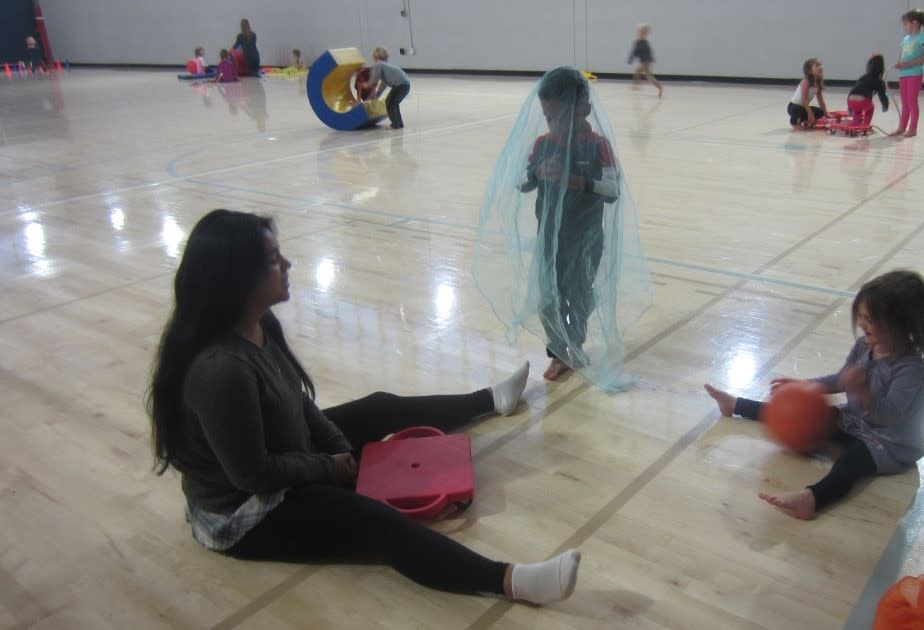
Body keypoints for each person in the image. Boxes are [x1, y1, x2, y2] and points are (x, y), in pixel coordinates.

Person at [146, 209, 579, 604]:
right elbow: (253, 474)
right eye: (274, 259)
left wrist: (342, 451)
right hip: (246, 509)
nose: (288, 265)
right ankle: (513, 581)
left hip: (283, 451)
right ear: (238, 278)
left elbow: (297, 401)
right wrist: (332, 469)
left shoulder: (259, 324)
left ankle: (489, 400)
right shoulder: (220, 370)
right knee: (373, 521)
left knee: (379, 408)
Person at [704, 270, 924, 520]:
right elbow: (840, 380)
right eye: (860, 316)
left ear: (900, 325)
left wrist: (862, 391)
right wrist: (807, 386)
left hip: (891, 441)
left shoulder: (910, 369)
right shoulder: (864, 346)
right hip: (856, 420)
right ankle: (735, 405)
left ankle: (812, 498)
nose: (862, 324)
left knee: (852, 461)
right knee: (801, 415)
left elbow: (890, 416)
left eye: (870, 319)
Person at [473, 67, 652, 391]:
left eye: (561, 116)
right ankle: (558, 351)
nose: (554, 124)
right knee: (547, 297)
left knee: (579, 295)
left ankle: (576, 342)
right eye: (548, 116)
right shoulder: (543, 144)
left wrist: (577, 180)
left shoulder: (598, 146)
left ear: (584, 109)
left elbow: (612, 190)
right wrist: (537, 172)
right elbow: (521, 182)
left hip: (586, 239)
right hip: (550, 240)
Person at [892, 9, 924, 137]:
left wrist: (909, 64)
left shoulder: (922, 38)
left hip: (914, 74)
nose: (905, 27)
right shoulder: (905, 39)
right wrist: (899, 64)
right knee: (904, 103)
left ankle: (912, 128)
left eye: (906, 24)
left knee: (912, 101)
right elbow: (902, 55)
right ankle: (902, 127)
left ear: (914, 22)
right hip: (903, 74)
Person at [359, 47, 412, 129]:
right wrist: (377, 96)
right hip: (405, 85)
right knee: (393, 103)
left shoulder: (378, 64)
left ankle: (395, 124)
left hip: (400, 85)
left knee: (389, 103)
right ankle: (399, 123)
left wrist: (364, 85)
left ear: (374, 57)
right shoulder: (386, 66)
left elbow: (374, 80)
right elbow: (383, 84)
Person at [847, 54, 889, 129]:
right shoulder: (879, 81)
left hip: (850, 99)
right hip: (863, 100)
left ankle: (855, 124)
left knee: (857, 110)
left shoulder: (863, 77)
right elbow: (882, 96)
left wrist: (849, 108)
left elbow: (854, 90)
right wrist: (885, 105)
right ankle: (865, 126)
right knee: (870, 109)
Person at [788, 58, 827, 129]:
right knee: (797, 109)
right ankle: (794, 122)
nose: (820, 67)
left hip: (804, 107)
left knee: (820, 112)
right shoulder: (806, 81)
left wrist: (826, 115)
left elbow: (821, 101)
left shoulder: (818, 83)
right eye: (817, 66)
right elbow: (804, 99)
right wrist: (810, 113)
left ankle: (803, 120)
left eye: (821, 65)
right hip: (793, 107)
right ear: (809, 70)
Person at [628, 23, 662, 98]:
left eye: (641, 32)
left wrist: (631, 59)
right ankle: (637, 85)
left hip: (646, 62)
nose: (639, 33)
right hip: (645, 61)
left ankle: (659, 87)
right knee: (638, 72)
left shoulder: (642, 42)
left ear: (645, 33)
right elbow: (637, 52)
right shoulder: (642, 42)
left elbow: (636, 52)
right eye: (639, 32)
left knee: (648, 76)